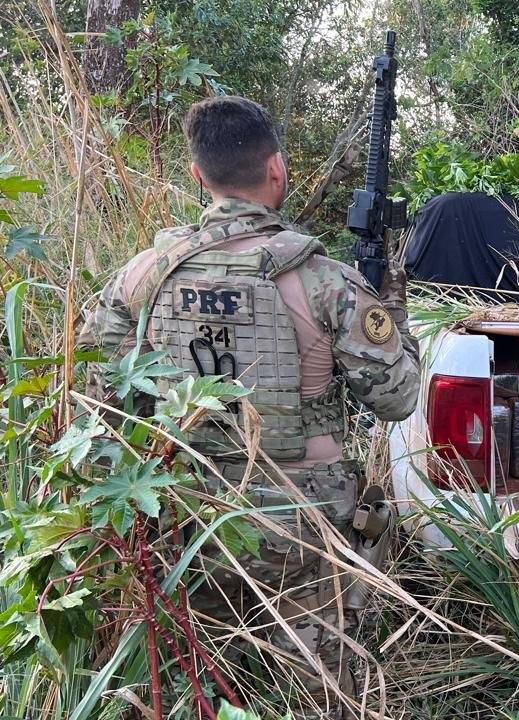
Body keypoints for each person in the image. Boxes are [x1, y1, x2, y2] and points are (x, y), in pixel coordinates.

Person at [77, 96, 421, 718]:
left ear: (198, 176)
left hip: (186, 510)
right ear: (277, 170)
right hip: (304, 520)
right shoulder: (325, 280)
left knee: (195, 684)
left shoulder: (141, 275)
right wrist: (396, 321)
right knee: (320, 692)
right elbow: (396, 399)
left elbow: (107, 390)